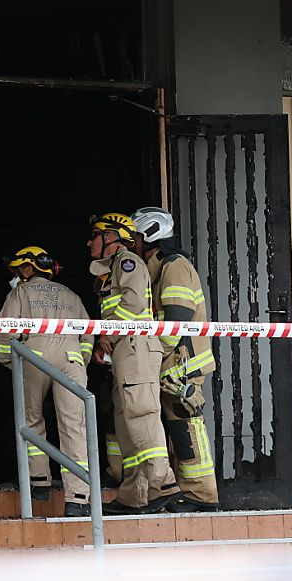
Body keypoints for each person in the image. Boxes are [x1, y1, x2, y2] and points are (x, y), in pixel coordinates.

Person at [88, 213, 181, 515]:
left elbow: (133, 307)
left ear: (111, 238)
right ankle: (135, 495)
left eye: (96, 235)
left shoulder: (129, 263)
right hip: (124, 350)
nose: (90, 241)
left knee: (141, 413)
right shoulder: (113, 268)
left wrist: (107, 334)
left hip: (134, 348)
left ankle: (162, 483)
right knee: (126, 419)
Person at [131, 207, 220, 512]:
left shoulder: (174, 266)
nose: (134, 243)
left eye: (137, 237)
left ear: (150, 235)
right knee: (176, 432)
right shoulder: (158, 268)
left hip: (182, 366)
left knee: (186, 428)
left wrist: (154, 354)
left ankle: (203, 496)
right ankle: (188, 493)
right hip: (172, 365)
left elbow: (177, 319)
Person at [0, 246, 95, 517]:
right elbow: (88, 335)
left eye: (19, 270)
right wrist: (79, 361)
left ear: (28, 269)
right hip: (71, 358)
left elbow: (5, 331)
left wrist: (11, 362)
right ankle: (78, 497)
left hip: (33, 357)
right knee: (74, 426)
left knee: (31, 420)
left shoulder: (20, 292)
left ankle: (39, 482)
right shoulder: (72, 296)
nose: (17, 275)